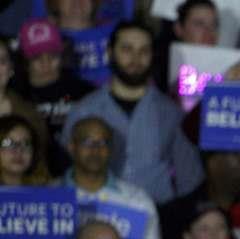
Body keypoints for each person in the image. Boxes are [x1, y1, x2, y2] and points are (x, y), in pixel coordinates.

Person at [62, 20, 204, 204]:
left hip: (159, 210)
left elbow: (189, 179)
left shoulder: (171, 113)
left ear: (152, 56)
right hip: (96, 211)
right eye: (127, 49)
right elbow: (68, 172)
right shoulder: (84, 110)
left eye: (144, 51)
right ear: (110, 52)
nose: (136, 59)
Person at [63, 116, 165, 239]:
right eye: (87, 142)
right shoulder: (49, 196)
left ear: (111, 149)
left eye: (103, 143)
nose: (95, 150)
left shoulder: (137, 200)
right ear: (71, 147)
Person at [15, 17, 91, 171]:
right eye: (37, 57)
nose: (46, 63)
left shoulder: (84, 92)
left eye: (53, 55)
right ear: (24, 60)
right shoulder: (15, 95)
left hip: (76, 173)